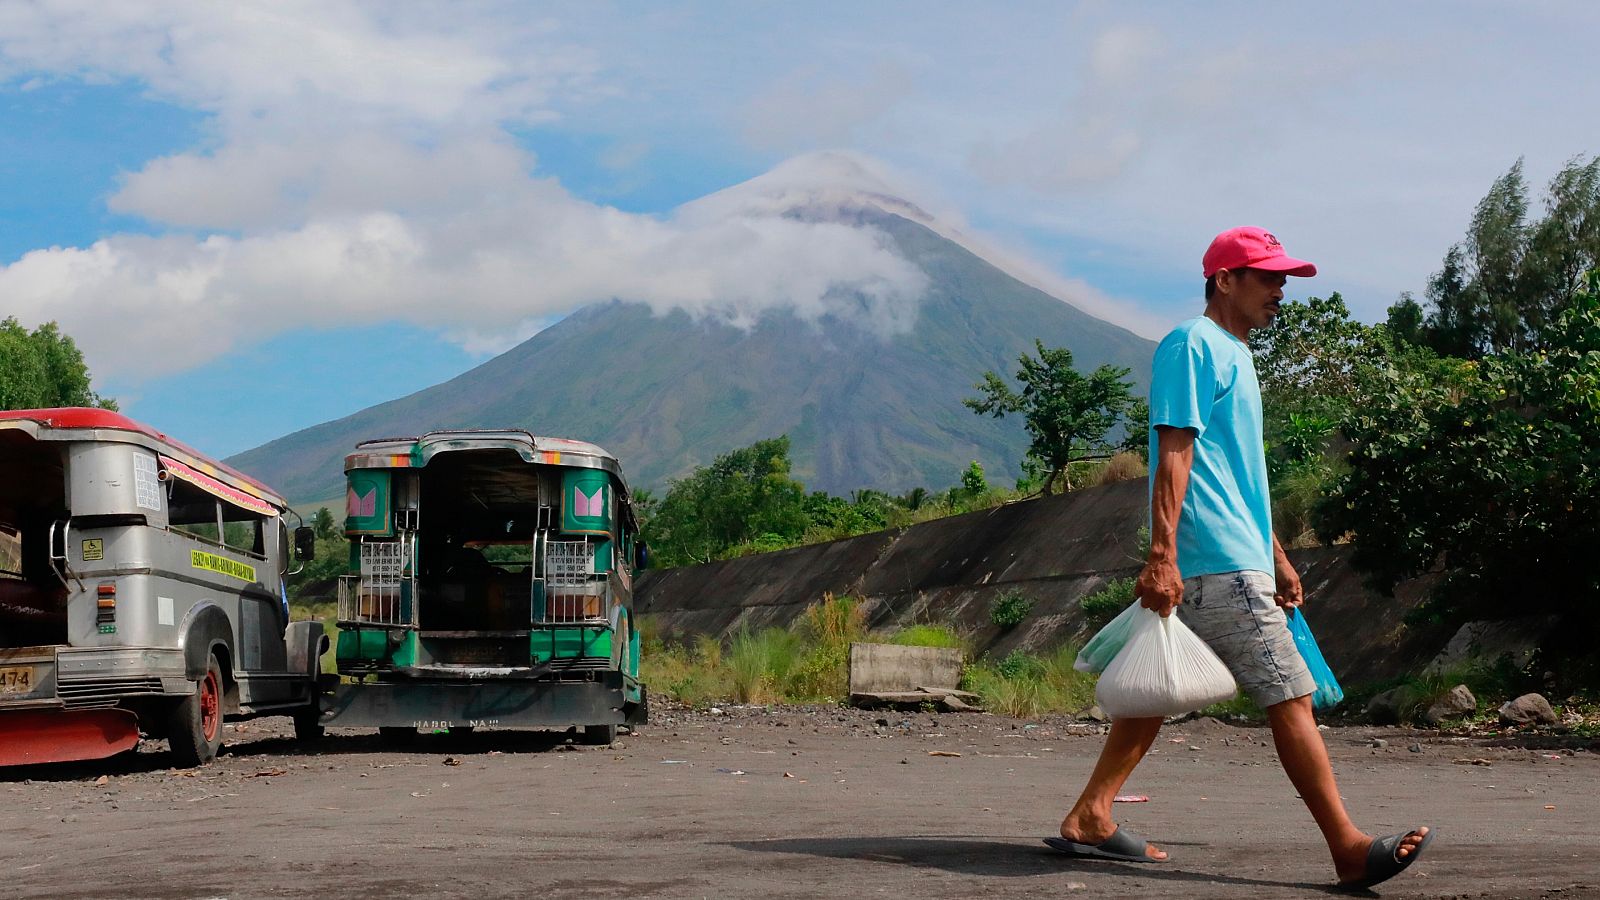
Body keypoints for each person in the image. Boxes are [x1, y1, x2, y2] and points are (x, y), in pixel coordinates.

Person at [1047, 227, 1434, 890]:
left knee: (1153, 692)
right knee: (1292, 698)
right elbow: (1175, 450)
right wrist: (1162, 554)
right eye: (1267, 277)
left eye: (1284, 278)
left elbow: (1236, 476)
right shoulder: (1192, 345)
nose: (1280, 291)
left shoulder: (1235, 355)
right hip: (1214, 564)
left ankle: (1091, 815)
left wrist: (1276, 555)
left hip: (1235, 556)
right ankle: (1347, 847)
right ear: (1225, 279)